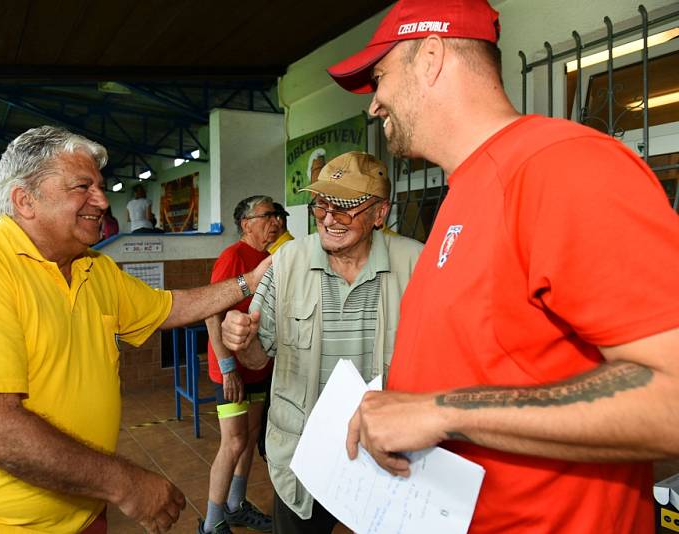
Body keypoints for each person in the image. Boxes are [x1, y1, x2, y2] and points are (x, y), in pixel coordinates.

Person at [326, 1, 679, 533]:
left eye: (379, 79)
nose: (375, 105)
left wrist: (442, 410)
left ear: (430, 56)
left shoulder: (561, 167)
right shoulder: (466, 189)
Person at [0, 125, 271, 534]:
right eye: (83, 187)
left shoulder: (95, 268)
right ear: (25, 200)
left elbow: (169, 307)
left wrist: (249, 281)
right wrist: (125, 484)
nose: (103, 201)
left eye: (101, 187)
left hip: (78, 514)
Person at [220, 151, 424, 533]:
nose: (329, 218)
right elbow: (257, 358)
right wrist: (242, 340)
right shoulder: (287, 262)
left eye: (345, 208)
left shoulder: (415, 265)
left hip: (382, 451)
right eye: (322, 205)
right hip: (303, 455)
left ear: (380, 213)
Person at [200, 195, 280, 534]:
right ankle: (212, 522)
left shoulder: (268, 259)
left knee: (248, 439)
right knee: (232, 442)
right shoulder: (233, 257)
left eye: (279, 215)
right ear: (246, 223)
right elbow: (211, 311)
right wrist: (227, 367)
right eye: (268, 215)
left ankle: (235, 505)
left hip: (258, 366)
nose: (276, 221)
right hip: (230, 369)